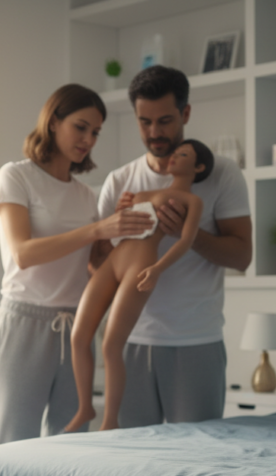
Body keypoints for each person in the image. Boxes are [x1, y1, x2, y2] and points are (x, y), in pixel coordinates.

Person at [96, 65, 252, 428]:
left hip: (197, 341)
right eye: (144, 122)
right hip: (131, 342)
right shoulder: (120, 181)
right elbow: (97, 262)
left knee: (196, 460)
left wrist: (190, 233)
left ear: (186, 113)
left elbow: (243, 256)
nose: (154, 133)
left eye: (165, 120)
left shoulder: (222, 174)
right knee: (131, 462)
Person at [0, 84, 139, 445]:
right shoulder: (16, 176)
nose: (88, 138)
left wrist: (115, 231)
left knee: (71, 442)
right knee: (13, 442)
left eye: (96, 132)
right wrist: (97, 228)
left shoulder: (87, 195)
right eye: (81, 126)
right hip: (25, 321)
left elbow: (95, 267)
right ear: (54, 122)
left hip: (77, 325)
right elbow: (23, 253)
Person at [66, 140, 210, 432]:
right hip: (117, 257)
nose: (173, 157)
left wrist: (158, 268)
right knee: (79, 335)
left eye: (183, 154)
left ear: (199, 167)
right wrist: (120, 211)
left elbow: (186, 241)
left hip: (142, 262)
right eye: (175, 152)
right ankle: (84, 408)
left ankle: (110, 421)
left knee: (110, 345)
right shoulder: (143, 191)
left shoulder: (193, 201)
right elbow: (117, 227)